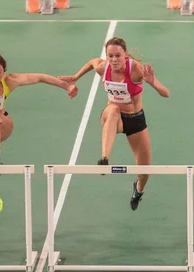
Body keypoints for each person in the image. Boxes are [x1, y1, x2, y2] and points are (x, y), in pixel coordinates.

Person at [59, 37, 170, 210]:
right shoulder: (103, 68)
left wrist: (152, 82)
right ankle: (104, 158)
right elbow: (92, 62)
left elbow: (166, 93)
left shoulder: (136, 71)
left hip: (135, 119)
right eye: (110, 56)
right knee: (112, 110)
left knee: (145, 171)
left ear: (125, 55)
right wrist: (75, 77)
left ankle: (138, 190)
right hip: (114, 118)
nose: (113, 60)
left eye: (117, 56)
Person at [0, 52, 78, 212]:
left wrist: (66, 86)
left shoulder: (10, 81)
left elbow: (40, 77)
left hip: (1, 123)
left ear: (4, 72)